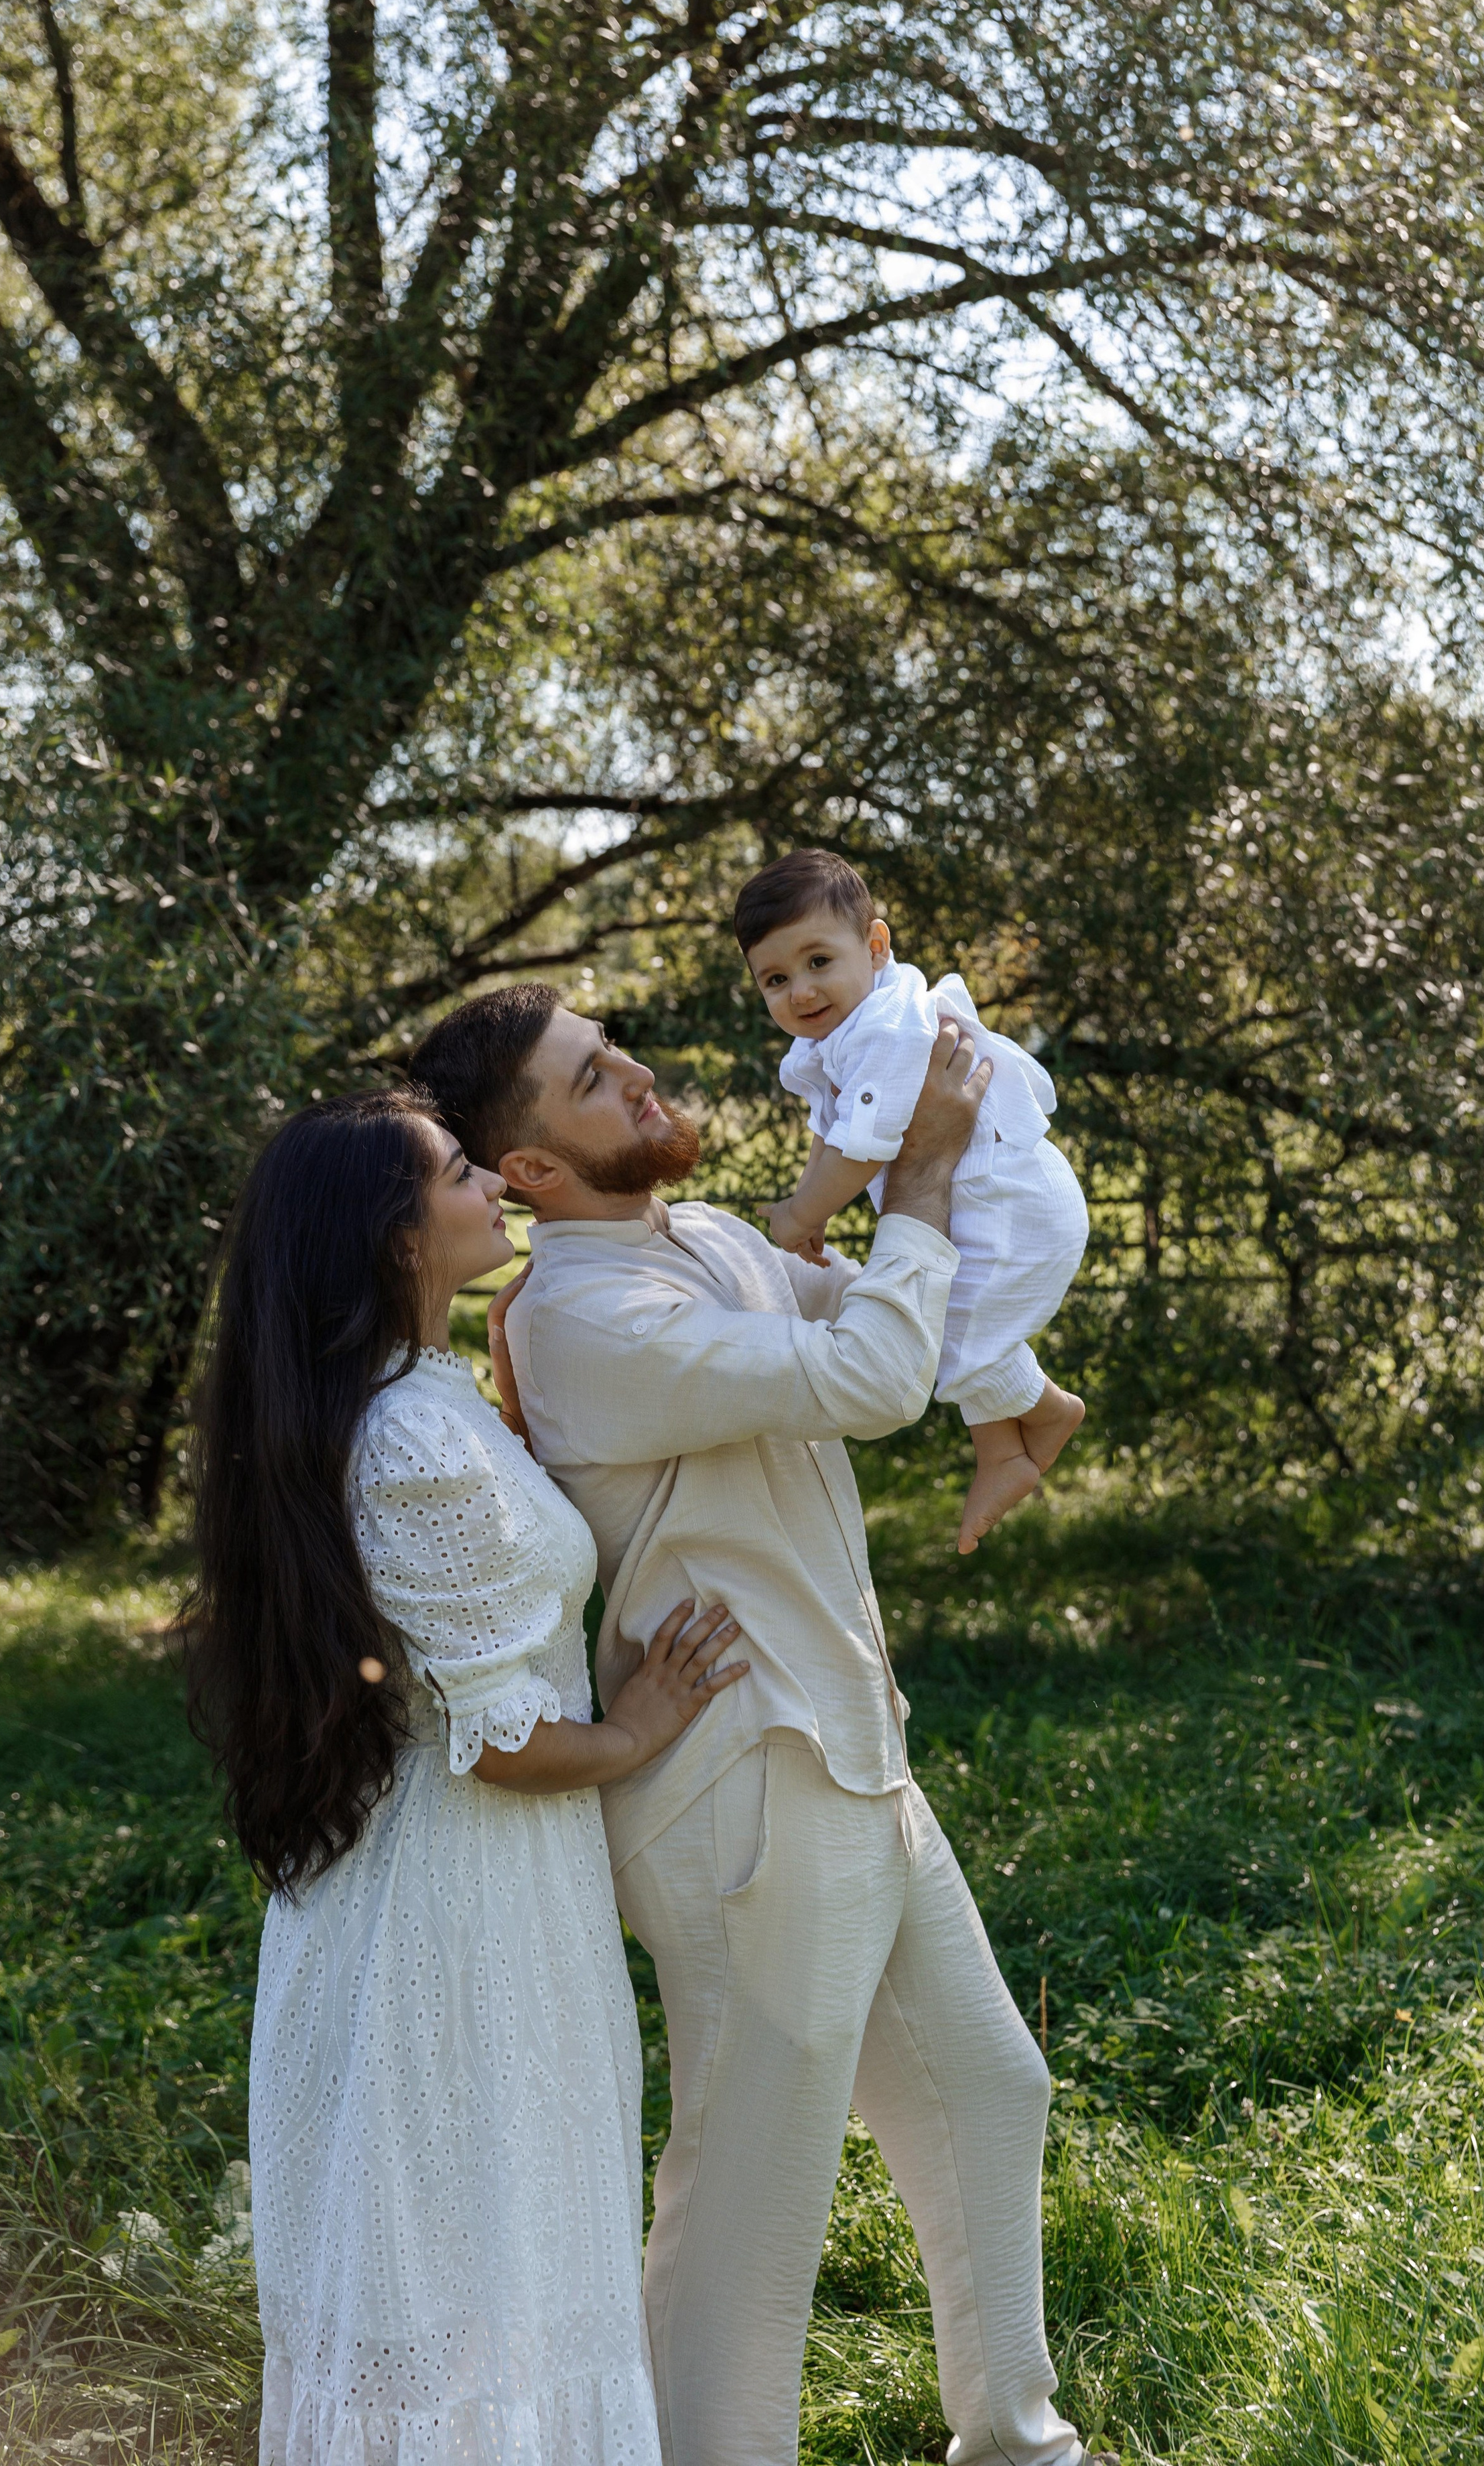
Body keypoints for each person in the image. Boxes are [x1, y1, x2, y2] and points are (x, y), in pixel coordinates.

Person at [409, 992, 1120, 2466]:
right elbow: (863, 1382)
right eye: (594, 1081)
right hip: (738, 1787)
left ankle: (1019, 2445)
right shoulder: (584, 1315)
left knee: (990, 2085)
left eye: (617, 1054)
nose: (640, 1078)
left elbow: (895, 1339)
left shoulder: (713, 1242)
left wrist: (980, 1196)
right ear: (530, 1172)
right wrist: (912, 1170)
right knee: (754, 2189)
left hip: (850, 1746)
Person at [180, 1086, 746, 2466]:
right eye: (453, 1172)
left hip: (454, 1895)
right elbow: (498, 1741)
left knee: (471, 2254)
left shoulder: (410, 1406)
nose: (491, 1176)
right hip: (460, 1916)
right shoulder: (414, 1445)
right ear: (391, 1235)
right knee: (474, 2251)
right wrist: (635, 1726)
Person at [737, 847, 1091, 1554]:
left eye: (817, 962)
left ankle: (1042, 1419)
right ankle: (1008, 1449)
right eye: (775, 979)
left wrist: (800, 1214)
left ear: (874, 946)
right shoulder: (833, 1041)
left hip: (1016, 1205)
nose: (800, 991)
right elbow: (831, 1132)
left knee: (952, 1331)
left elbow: (865, 1145)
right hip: (986, 1204)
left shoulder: (886, 1027)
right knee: (945, 1326)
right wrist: (819, 1206)